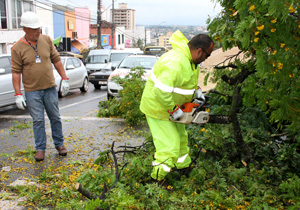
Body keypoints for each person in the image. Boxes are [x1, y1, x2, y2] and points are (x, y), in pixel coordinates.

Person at [140, 30, 214, 181]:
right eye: (207, 55)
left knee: (181, 139)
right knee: (169, 146)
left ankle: (183, 170)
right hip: (159, 109)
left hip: (173, 108)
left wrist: (197, 93)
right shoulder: (176, 62)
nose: (206, 59)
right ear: (200, 51)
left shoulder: (190, 61)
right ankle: (155, 181)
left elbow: (184, 84)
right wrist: (174, 110)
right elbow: (160, 92)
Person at [11, 11, 69, 161]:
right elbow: (16, 72)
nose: (38, 31)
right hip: (32, 91)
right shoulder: (17, 48)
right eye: (35, 28)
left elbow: (56, 60)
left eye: (39, 28)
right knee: (38, 120)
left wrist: (65, 78)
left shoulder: (46, 40)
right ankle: (40, 148)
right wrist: (18, 94)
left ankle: (59, 144)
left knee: (55, 117)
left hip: (49, 87)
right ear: (25, 28)